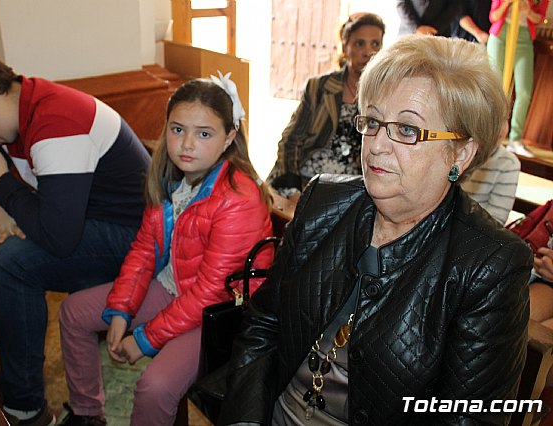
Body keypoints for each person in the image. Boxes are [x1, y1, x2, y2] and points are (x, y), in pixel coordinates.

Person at [219, 35, 533, 425]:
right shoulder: (322, 201)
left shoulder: (490, 265)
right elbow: (263, 326)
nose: (376, 146)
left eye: (406, 130)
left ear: (460, 153)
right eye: (372, 121)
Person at [0, 42, 151, 426]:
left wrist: (0, 181)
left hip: (132, 241)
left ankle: (25, 410)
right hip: (79, 220)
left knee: (13, 263)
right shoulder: (16, 109)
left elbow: (58, 238)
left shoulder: (56, 123)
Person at [57, 74, 274, 426]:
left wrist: (143, 339)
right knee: (74, 312)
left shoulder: (239, 198)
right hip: (173, 287)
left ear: (229, 138)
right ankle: (86, 414)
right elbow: (144, 250)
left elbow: (210, 292)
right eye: (177, 130)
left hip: (217, 313)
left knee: (155, 386)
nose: (187, 144)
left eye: (204, 133)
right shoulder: (172, 177)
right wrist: (120, 310)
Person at [266, 13, 385, 200]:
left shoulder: (385, 95)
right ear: (345, 49)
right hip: (306, 179)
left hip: (353, 192)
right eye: (359, 43)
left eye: (375, 44)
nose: (368, 52)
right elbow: (291, 140)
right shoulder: (319, 88)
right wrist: (292, 189)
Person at [487, 0, 550, 157]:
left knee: (524, 92)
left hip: (524, 38)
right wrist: (506, 4)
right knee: (496, 87)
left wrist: (527, 11)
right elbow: (493, 16)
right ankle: (490, 134)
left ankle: (515, 139)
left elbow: (539, 18)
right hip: (500, 36)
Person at [460, 122, 521, 224]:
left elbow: (497, 220)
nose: (500, 129)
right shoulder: (462, 151)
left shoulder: (508, 163)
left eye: (504, 119)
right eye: (494, 119)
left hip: (477, 231)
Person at [396, 0, 462, 37]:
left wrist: (433, 29)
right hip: (409, 31)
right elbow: (401, 4)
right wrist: (417, 27)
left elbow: (454, 6)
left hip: (439, 34)